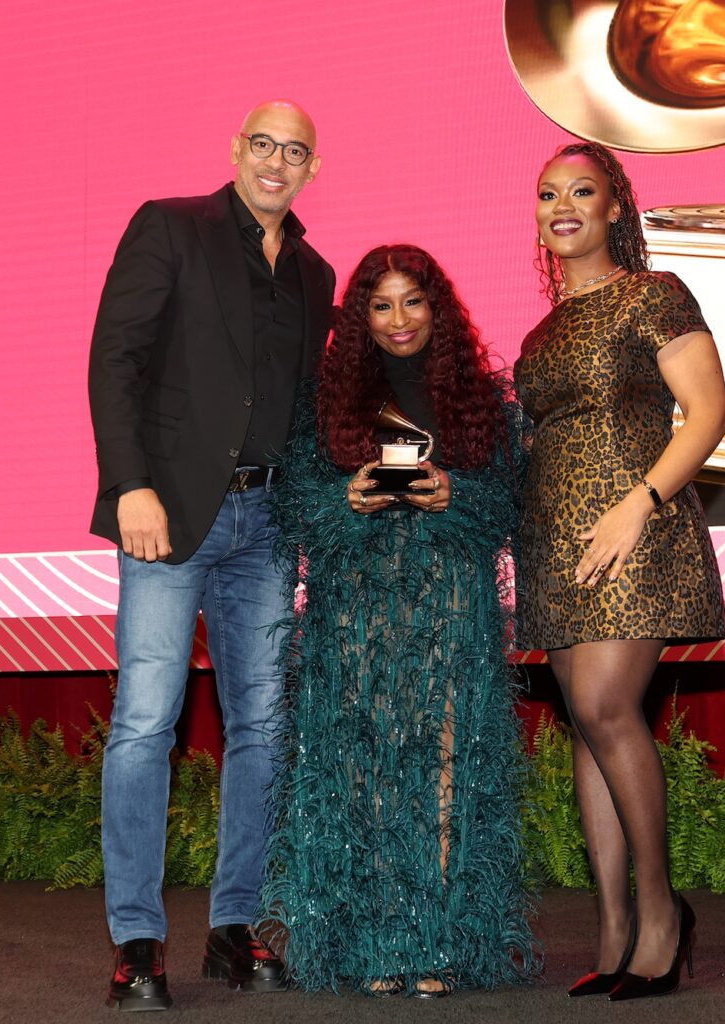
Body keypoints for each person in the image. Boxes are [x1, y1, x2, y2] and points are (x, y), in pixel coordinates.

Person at [86, 99, 336, 1011]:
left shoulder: (314, 272)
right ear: (237, 149)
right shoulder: (171, 227)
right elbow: (115, 360)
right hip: (169, 515)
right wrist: (130, 485)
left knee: (262, 728)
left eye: (295, 151)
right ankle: (136, 941)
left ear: (312, 168)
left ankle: (235, 927)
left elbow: (306, 406)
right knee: (144, 723)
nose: (277, 161)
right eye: (263, 143)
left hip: (267, 526)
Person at [259, 245, 540, 998]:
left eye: (412, 301)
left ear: (436, 307)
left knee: (446, 766)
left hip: (451, 602)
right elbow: (296, 504)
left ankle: (437, 942)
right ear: (361, 318)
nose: (399, 319)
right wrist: (344, 499)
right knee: (366, 771)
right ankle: (382, 943)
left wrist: (455, 496)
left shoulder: (479, 398)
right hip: (356, 605)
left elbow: (506, 506)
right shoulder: (325, 400)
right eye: (381, 306)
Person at [514, 141, 725, 1001]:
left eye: (582, 191)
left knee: (606, 707)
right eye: (548, 194)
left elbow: (708, 414)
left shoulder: (654, 295)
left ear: (614, 207)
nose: (562, 206)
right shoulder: (540, 333)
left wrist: (638, 504)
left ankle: (663, 916)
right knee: (585, 723)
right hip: (554, 543)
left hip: (634, 531)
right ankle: (611, 929)